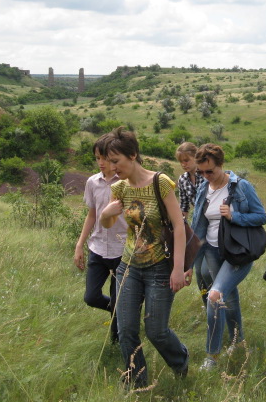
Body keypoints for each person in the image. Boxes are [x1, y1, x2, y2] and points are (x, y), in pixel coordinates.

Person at [100, 127, 189, 388]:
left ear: (133, 155)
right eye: (108, 162)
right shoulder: (118, 188)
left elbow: (179, 225)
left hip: (160, 267)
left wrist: (178, 268)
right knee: (126, 330)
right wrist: (107, 213)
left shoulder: (160, 182)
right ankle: (137, 384)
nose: (112, 167)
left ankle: (181, 360)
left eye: (116, 161)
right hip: (128, 266)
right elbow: (107, 225)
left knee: (156, 331)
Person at [190, 144, 266, 371]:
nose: (205, 176)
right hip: (213, 251)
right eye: (201, 172)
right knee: (228, 298)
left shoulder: (241, 187)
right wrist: (190, 260)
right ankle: (239, 342)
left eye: (210, 171)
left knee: (215, 296)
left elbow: (261, 216)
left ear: (221, 165)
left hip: (238, 252)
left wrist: (235, 215)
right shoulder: (204, 188)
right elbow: (199, 227)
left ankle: (211, 357)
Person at [74, 134, 128, 344]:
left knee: (118, 299)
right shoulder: (92, 182)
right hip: (97, 247)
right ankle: (120, 312)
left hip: (122, 249)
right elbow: (92, 214)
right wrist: (80, 244)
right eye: (98, 158)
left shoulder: (125, 182)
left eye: (105, 158)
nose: (102, 163)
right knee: (91, 297)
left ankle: (118, 342)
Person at [175, 142, 207, 305]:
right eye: (181, 161)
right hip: (197, 226)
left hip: (213, 224)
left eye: (186, 160)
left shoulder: (207, 174)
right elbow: (184, 207)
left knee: (209, 270)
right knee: (198, 269)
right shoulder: (183, 180)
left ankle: (218, 302)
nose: (183, 164)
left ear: (196, 157)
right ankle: (206, 303)